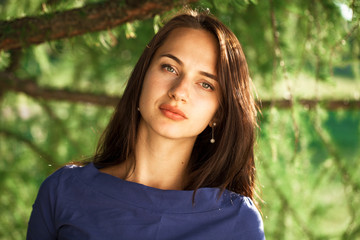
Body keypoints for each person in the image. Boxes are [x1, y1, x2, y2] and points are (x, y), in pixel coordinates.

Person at [27, 9, 265, 240]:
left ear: (219, 113)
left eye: (205, 84)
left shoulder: (236, 223)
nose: (179, 91)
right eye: (170, 68)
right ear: (142, 76)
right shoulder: (63, 192)